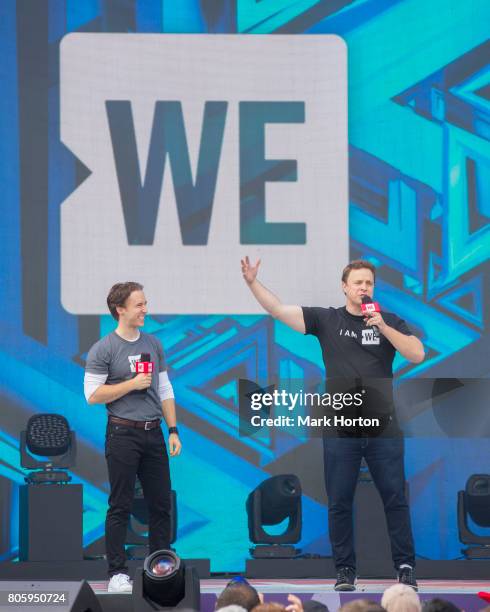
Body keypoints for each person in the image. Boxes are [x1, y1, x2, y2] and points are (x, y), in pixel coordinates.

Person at [241, 257, 424, 592]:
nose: (363, 288)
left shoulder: (389, 321)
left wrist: (382, 327)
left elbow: (417, 354)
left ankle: (405, 566)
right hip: (341, 427)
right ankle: (345, 570)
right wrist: (253, 283)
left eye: (368, 283)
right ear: (344, 286)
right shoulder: (327, 319)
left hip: (382, 428)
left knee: (395, 497)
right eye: (358, 282)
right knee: (339, 500)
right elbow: (279, 310)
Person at [84, 282, 182, 593]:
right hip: (122, 433)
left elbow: (164, 389)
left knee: (161, 503)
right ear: (120, 310)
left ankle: (161, 566)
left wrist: (174, 430)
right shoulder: (104, 348)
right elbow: (92, 395)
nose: (145, 310)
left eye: (145, 303)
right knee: (120, 504)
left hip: (154, 433)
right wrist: (131, 383)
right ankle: (117, 572)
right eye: (139, 305)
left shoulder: (153, 344)